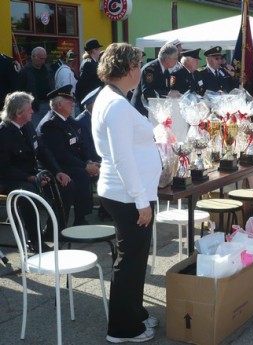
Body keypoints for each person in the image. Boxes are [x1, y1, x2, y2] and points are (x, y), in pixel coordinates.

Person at [92, 42, 162, 343]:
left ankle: (136, 313)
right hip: (127, 194)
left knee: (134, 258)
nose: (141, 70)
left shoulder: (113, 97)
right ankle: (122, 329)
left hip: (127, 192)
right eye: (138, 64)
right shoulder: (117, 104)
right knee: (130, 261)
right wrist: (141, 201)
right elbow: (122, 157)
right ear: (129, 68)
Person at [0, 91, 72, 251]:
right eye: (29, 109)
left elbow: (43, 151)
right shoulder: (4, 133)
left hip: (32, 174)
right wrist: (30, 178)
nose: (32, 111)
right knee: (28, 194)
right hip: (11, 179)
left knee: (63, 184)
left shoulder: (28, 126)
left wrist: (57, 171)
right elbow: (4, 168)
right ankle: (35, 241)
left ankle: (54, 230)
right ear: (18, 113)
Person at [38, 84, 99, 226]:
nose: (73, 104)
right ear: (59, 105)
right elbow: (61, 155)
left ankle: (83, 217)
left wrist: (88, 161)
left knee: (90, 171)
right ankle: (78, 219)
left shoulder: (67, 120)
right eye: (69, 102)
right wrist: (85, 166)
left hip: (70, 162)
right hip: (57, 166)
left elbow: (80, 143)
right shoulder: (50, 124)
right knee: (81, 174)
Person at [130, 43, 178, 116]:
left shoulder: (166, 70)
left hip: (153, 110)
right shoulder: (151, 69)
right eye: (175, 59)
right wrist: (168, 94)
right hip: (141, 111)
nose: (177, 61)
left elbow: (163, 88)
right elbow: (147, 92)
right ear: (167, 59)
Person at [17, 47, 54, 127]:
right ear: (33, 57)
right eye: (41, 58)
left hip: (49, 105)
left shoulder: (48, 70)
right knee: (35, 129)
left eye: (44, 59)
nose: (43, 61)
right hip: (33, 107)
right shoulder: (25, 71)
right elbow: (19, 90)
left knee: (48, 129)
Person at [75, 39, 104, 105]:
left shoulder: (92, 62)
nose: (99, 52)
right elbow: (81, 83)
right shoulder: (88, 64)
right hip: (89, 100)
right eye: (98, 49)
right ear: (94, 50)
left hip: (92, 99)